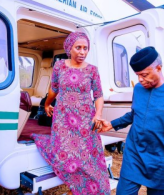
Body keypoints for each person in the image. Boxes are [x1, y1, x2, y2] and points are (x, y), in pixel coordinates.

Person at [96, 46, 164, 195]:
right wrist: (112, 124)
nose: (140, 80)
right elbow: (135, 114)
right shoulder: (139, 89)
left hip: (162, 162)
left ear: (159, 68)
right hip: (134, 156)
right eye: (137, 75)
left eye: (144, 75)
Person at [30, 32, 110, 195]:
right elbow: (54, 89)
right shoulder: (59, 66)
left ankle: (89, 188)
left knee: (86, 157)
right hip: (63, 117)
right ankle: (76, 185)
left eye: (85, 48)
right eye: (78, 48)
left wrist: (98, 114)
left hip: (86, 117)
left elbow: (98, 95)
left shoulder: (92, 70)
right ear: (69, 48)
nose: (82, 52)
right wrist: (46, 104)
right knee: (65, 155)